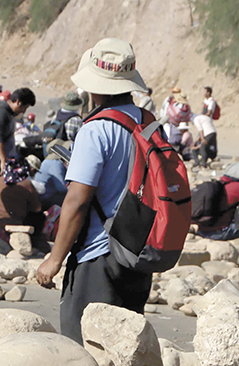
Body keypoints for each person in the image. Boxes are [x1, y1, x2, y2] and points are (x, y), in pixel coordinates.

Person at [32, 38, 156, 343]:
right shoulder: (149, 123)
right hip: (137, 252)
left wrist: (54, 259)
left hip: (98, 255)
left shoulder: (96, 129)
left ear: (95, 86)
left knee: (83, 350)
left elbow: (77, 201)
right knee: (124, 349)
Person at [0, 86, 35, 219]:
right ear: (18, 102)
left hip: (0, 161)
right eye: (25, 107)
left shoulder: (8, 113)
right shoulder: (1, 113)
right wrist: (3, 161)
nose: (23, 111)